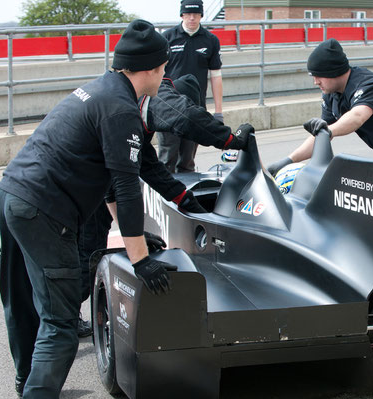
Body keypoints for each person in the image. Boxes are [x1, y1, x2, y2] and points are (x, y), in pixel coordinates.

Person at [0, 19, 173, 399]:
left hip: (9, 195)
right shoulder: (121, 108)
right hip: (42, 211)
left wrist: (185, 197)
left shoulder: (100, 90)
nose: (165, 74)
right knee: (59, 319)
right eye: (164, 67)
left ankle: (27, 382)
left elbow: (142, 164)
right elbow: (126, 189)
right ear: (149, 68)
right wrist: (140, 257)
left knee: (22, 300)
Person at [77, 74, 252, 306]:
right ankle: (66, 318)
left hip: (92, 187)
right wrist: (230, 140)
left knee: (89, 247)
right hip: (81, 191)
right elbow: (188, 117)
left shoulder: (138, 116)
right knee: (85, 251)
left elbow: (152, 170)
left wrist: (186, 200)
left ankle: (66, 315)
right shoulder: (159, 99)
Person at [267, 38, 373, 245]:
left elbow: (356, 117)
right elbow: (319, 136)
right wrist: (287, 161)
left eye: (318, 76)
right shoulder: (331, 95)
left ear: (333, 71)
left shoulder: (369, 85)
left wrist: (328, 130)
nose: (315, 82)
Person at [158, 0, 224, 173]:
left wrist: (218, 112)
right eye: (188, 14)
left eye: (196, 14)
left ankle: (184, 197)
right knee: (167, 159)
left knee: (187, 161)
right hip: (168, 107)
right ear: (182, 15)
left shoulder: (210, 40)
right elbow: (155, 73)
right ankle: (163, 197)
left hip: (194, 107)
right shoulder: (167, 38)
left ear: (201, 15)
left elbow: (216, 76)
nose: (192, 18)